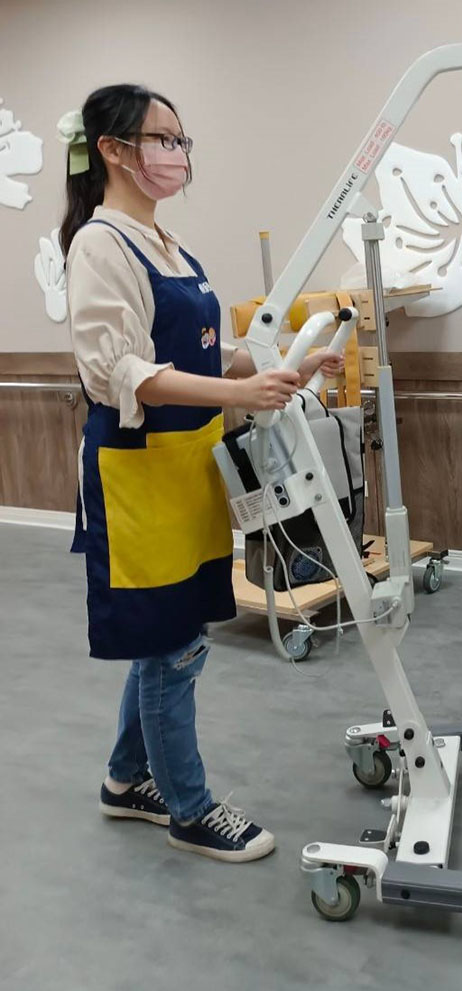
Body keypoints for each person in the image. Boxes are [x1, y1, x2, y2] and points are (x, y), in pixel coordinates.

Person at [61, 84, 342, 862]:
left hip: (190, 469)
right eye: (162, 139)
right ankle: (188, 808)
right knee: (173, 646)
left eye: (181, 141)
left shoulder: (171, 247)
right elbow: (117, 372)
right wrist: (236, 395)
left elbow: (207, 355)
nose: (177, 155)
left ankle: (126, 781)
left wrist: (285, 368)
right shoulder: (100, 245)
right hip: (139, 475)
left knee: (173, 637)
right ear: (113, 150)